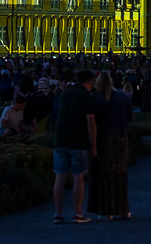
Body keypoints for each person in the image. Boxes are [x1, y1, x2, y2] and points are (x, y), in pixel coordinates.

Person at [51, 70, 97, 224]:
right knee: (79, 176)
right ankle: (77, 213)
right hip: (78, 141)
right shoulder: (87, 97)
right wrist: (94, 145)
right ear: (90, 81)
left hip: (61, 139)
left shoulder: (65, 94)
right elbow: (91, 123)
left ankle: (58, 213)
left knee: (60, 176)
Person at [89, 72, 134, 221]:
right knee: (120, 173)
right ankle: (123, 208)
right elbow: (130, 118)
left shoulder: (97, 99)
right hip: (120, 138)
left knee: (104, 174)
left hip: (104, 139)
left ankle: (106, 210)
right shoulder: (122, 97)